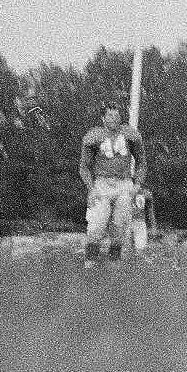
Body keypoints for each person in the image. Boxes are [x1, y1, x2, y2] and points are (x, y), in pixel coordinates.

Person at [79, 104, 145, 263]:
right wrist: (91, 187)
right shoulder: (94, 136)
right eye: (110, 115)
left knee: (119, 228)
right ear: (103, 118)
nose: (114, 119)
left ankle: (113, 264)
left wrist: (137, 184)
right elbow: (84, 167)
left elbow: (141, 162)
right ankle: (90, 264)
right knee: (96, 226)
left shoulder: (129, 134)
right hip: (102, 184)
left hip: (124, 183)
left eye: (116, 115)